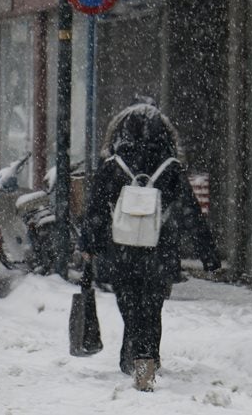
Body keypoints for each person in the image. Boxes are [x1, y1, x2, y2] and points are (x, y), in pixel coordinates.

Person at [78, 100, 222, 392]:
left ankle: (131, 353)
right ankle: (148, 356)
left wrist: (89, 244)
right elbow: (189, 212)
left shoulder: (112, 166)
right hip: (161, 248)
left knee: (129, 302)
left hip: (122, 248)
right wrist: (207, 252)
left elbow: (94, 209)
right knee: (152, 305)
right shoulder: (171, 168)